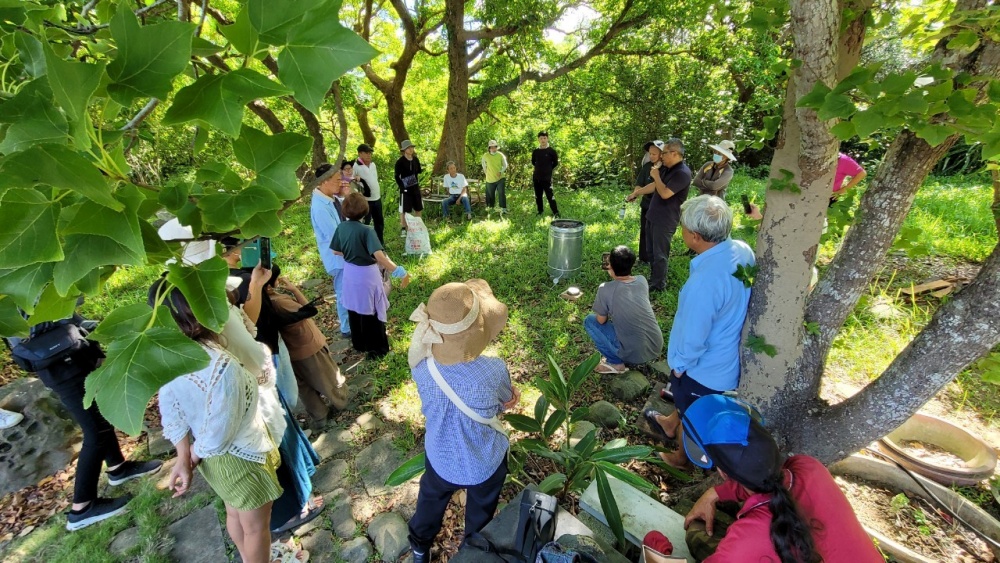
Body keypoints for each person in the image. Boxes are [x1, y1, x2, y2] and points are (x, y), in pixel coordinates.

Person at [150, 280, 282, 563]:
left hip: (217, 461)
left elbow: (171, 410)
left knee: (234, 512)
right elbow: (221, 430)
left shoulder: (170, 358)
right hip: (240, 457)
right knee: (257, 527)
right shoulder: (222, 367)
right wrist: (192, 456)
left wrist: (183, 457)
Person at [678, 394, 882, 562]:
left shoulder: (749, 537)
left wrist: (656, 542)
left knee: (696, 534)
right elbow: (768, 481)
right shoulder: (808, 467)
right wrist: (714, 493)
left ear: (723, 473)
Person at [8, 313, 162, 531]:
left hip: (76, 358)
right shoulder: (14, 299)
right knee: (95, 432)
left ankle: (118, 468)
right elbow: (27, 340)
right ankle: (82, 507)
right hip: (61, 368)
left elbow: (69, 313)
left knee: (100, 419)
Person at [406, 279, 519, 563]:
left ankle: (420, 547)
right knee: (481, 511)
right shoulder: (493, 370)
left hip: (439, 455)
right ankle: (472, 552)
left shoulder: (421, 364)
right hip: (484, 462)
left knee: (430, 500)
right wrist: (511, 397)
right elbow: (503, 404)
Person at [218, 244, 325, 535]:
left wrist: (255, 283)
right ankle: (292, 510)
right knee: (274, 454)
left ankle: (298, 495)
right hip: (251, 401)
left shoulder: (222, 300)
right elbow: (248, 339)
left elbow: (247, 324)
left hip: (260, 390)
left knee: (283, 439)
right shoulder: (209, 336)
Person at [644, 195, 755, 468]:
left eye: (682, 228)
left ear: (694, 236)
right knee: (685, 405)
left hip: (704, 369)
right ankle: (671, 423)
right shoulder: (741, 250)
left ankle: (681, 457)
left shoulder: (705, 284)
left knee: (693, 411)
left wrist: (680, 366)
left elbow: (695, 336)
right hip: (724, 353)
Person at [331, 193, 410, 359]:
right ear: (365, 211)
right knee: (371, 310)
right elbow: (380, 257)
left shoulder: (341, 227)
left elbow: (335, 250)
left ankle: (359, 343)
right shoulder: (367, 230)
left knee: (354, 308)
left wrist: (351, 252)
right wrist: (401, 272)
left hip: (350, 273)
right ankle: (377, 350)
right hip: (366, 275)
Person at [265, 271, 349, 424]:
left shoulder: (266, 302)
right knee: (327, 376)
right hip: (308, 345)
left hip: (292, 350)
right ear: (270, 284)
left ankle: (319, 415)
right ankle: (341, 400)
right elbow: (308, 310)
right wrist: (295, 290)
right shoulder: (280, 302)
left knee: (304, 386)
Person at [585, 245, 663, 374]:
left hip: (635, 355)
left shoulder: (605, 289)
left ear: (611, 267)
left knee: (590, 321)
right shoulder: (642, 280)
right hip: (655, 345)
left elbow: (601, 321)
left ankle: (615, 363)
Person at [310, 163, 351, 339]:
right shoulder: (320, 207)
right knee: (343, 290)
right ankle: (346, 328)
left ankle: (350, 323)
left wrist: (345, 197)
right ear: (324, 181)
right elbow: (336, 238)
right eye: (337, 180)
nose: (341, 182)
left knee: (348, 288)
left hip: (345, 253)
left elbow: (349, 218)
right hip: (338, 257)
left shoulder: (332, 198)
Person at [646, 138, 692, 293]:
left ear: (674, 153)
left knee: (660, 254)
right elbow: (655, 186)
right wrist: (637, 192)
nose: (661, 156)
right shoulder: (667, 167)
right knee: (651, 251)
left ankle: (658, 286)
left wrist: (657, 176)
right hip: (653, 215)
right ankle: (653, 278)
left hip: (665, 219)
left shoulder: (682, 173)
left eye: (664, 153)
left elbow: (665, 193)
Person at [627, 140, 665, 264]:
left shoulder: (666, 169)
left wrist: (637, 193)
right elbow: (639, 184)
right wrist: (635, 193)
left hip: (660, 207)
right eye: (650, 153)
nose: (651, 156)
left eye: (654, 154)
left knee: (656, 234)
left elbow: (656, 186)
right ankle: (643, 258)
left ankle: (656, 259)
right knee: (644, 231)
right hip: (646, 205)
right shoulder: (647, 167)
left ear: (662, 154)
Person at [354, 143, 385, 244]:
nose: (369, 155)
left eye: (370, 153)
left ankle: (380, 243)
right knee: (365, 223)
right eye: (366, 153)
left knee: (379, 222)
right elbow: (351, 180)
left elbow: (374, 179)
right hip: (366, 200)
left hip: (377, 198)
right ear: (360, 153)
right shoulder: (355, 166)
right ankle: (364, 244)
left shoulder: (373, 165)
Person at [395, 140, 423, 238]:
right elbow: (397, 176)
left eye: (412, 147)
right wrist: (402, 186)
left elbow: (419, 171)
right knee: (404, 209)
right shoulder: (400, 162)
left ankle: (418, 227)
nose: (411, 149)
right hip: (405, 188)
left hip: (415, 187)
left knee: (418, 207)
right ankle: (404, 228)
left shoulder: (415, 159)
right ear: (404, 150)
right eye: (408, 148)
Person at [531, 131, 560, 217]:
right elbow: (533, 162)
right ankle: (540, 211)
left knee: (550, 196)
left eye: (544, 138)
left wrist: (548, 169)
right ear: (538, 140)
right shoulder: (535, 151)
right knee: (538, 196)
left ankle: (556, 213)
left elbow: (555, 163)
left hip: (547, 178)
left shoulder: (552, 151)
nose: (543, 140)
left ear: (547, 139)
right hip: (537, 177)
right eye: (541, 138)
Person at [481, 140, 509, 215]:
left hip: (500, 178)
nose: (493, 149)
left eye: (495, 147)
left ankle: (503, 208)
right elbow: (483, 165)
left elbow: (505, 165)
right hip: (490, 178)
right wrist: (486, 172)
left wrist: (501, 171)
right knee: (490, 194)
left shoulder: (500, 155)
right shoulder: (485, 156)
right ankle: (491, 208)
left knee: (501, 193)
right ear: (489, 148)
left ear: (497, 147)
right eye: (492, 147)